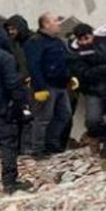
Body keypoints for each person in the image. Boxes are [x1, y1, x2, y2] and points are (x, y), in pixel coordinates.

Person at [68, 24, 106, 166]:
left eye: (87, 38)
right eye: (81, 40)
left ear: (92, 35)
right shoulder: (75, 53)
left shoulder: (105, 42)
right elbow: (85, 74)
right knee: (92, 121)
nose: (85, 42)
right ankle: (96, 137)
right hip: (93, 91)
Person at [23, 13, 73, 158]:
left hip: (61, 85)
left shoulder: (58, 42)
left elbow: (65, 61)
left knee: (64, 115)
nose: (59, 23)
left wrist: (70, 76)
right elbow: (34, 66)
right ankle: (38, 149)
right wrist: (39, 88)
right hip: (46, 86)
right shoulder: (35, 42)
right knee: (42, 118)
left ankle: (51, 144)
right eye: (55, 21)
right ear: (45, 24)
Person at [0, 27, 29, 193]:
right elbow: (13, 85)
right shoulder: (5, 58)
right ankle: (10, 183)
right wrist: (21, 105)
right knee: (8, 144)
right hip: (1, 110)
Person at [3, 15, 31, 83]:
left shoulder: (34, 41)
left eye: (13, 29)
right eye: (8, 29)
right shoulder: (12, 44)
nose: (10, 32)